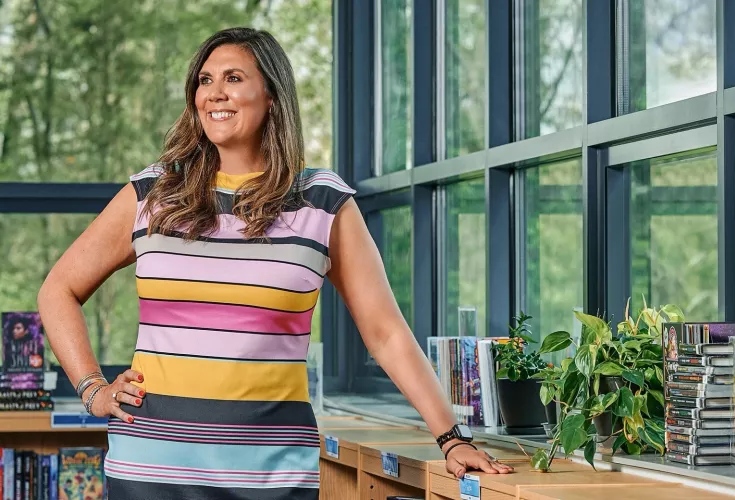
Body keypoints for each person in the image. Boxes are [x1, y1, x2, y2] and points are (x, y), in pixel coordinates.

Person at [37, 27, 513, 499]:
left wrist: (451, 437)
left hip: (271, 477)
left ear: (272, 97)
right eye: (204, 80)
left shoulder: (322, 202)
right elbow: (58, 290)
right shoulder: (154, 193)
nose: (214, 93)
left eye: (233, 78)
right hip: (150, 470)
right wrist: (93, 388)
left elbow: (385, 333)